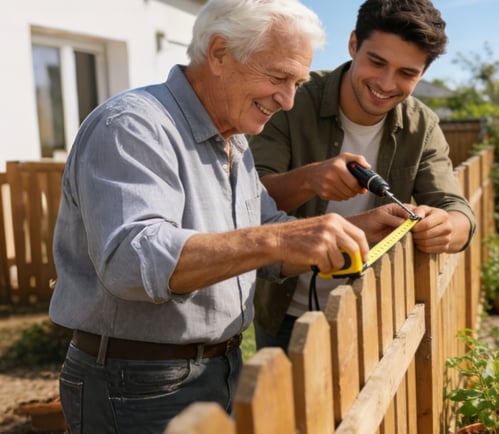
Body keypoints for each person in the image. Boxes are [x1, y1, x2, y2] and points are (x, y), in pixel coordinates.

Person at [45, 1, 384, 432]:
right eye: (279, 77)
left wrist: (357, 230)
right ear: (219, 53)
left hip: (221, 368)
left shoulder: (232, 137)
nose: (287, 99)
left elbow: (266, 237)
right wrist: (280, 240)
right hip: (137, 383)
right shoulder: (132, 125)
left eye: (297, 83)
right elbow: (132, 262)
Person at [249, 0, 475, 349]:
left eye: (406, 73)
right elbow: (247, 203)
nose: (386, 83)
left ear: (422, 74)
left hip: (378, 308)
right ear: (354, 44)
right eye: (377, 62)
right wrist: (310, 179)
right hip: (287, 314)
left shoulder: (423, 125)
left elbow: (458, 212)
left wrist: (446, 227)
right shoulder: (291, 100)